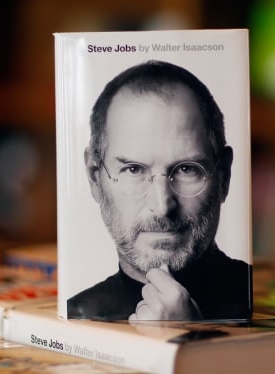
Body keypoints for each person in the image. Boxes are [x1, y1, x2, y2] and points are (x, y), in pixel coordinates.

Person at [67, 60, 251, 321]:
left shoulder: (260, 302)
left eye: (187, 169)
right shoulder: (73, 316)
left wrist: (188, 340)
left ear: (224, 176)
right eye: (133, 170)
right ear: (95, 178)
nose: (163, 206)